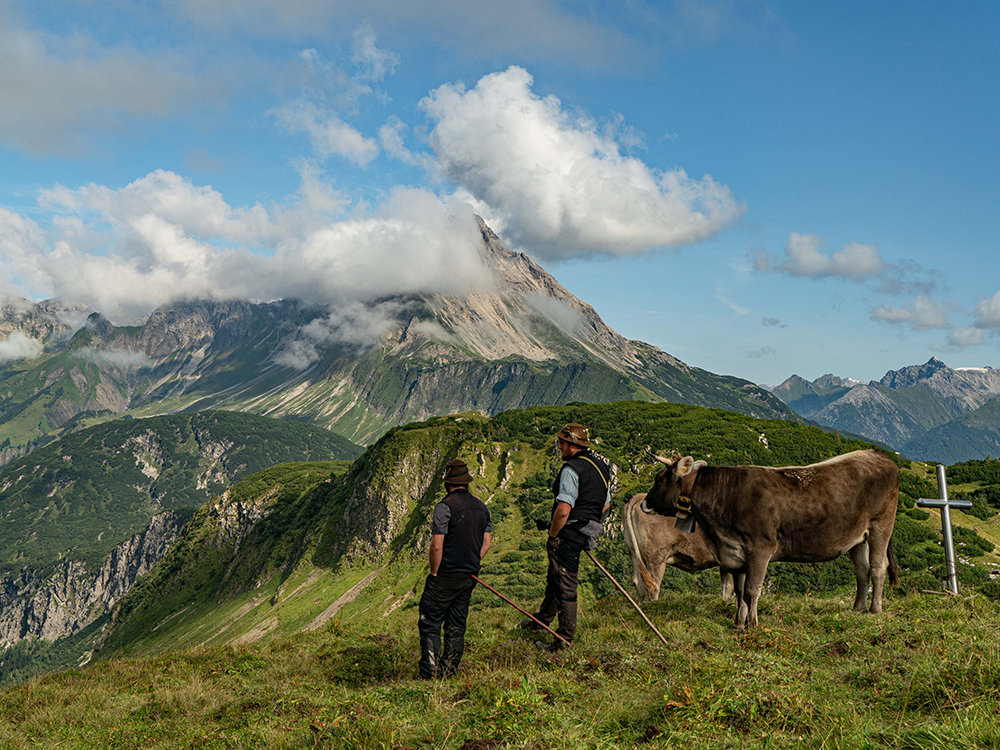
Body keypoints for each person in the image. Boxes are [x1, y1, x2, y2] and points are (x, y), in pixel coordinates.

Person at [522, 423, 611, 651]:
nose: (559, 447)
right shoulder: (601, 467)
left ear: (572, 445)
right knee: (556, 577)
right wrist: (585, 517)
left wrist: (554, 533)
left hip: (567, 534)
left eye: (562, 443)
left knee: (565, 584)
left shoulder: (572, 469)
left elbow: (563, 509)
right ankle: (543, 619)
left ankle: (563, 640)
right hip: (586, 531)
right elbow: (605, 503)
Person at [417, 458, 493, 679]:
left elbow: (437, 545)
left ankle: (429, 675)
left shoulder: (444, 507)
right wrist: (471, 562)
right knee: (457, 624)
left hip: (446, 574)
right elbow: (487, 543)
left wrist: (434, 572)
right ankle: (448, 672)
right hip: (469, 575)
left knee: (430, 621)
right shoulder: (482, 507)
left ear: (447, 482)